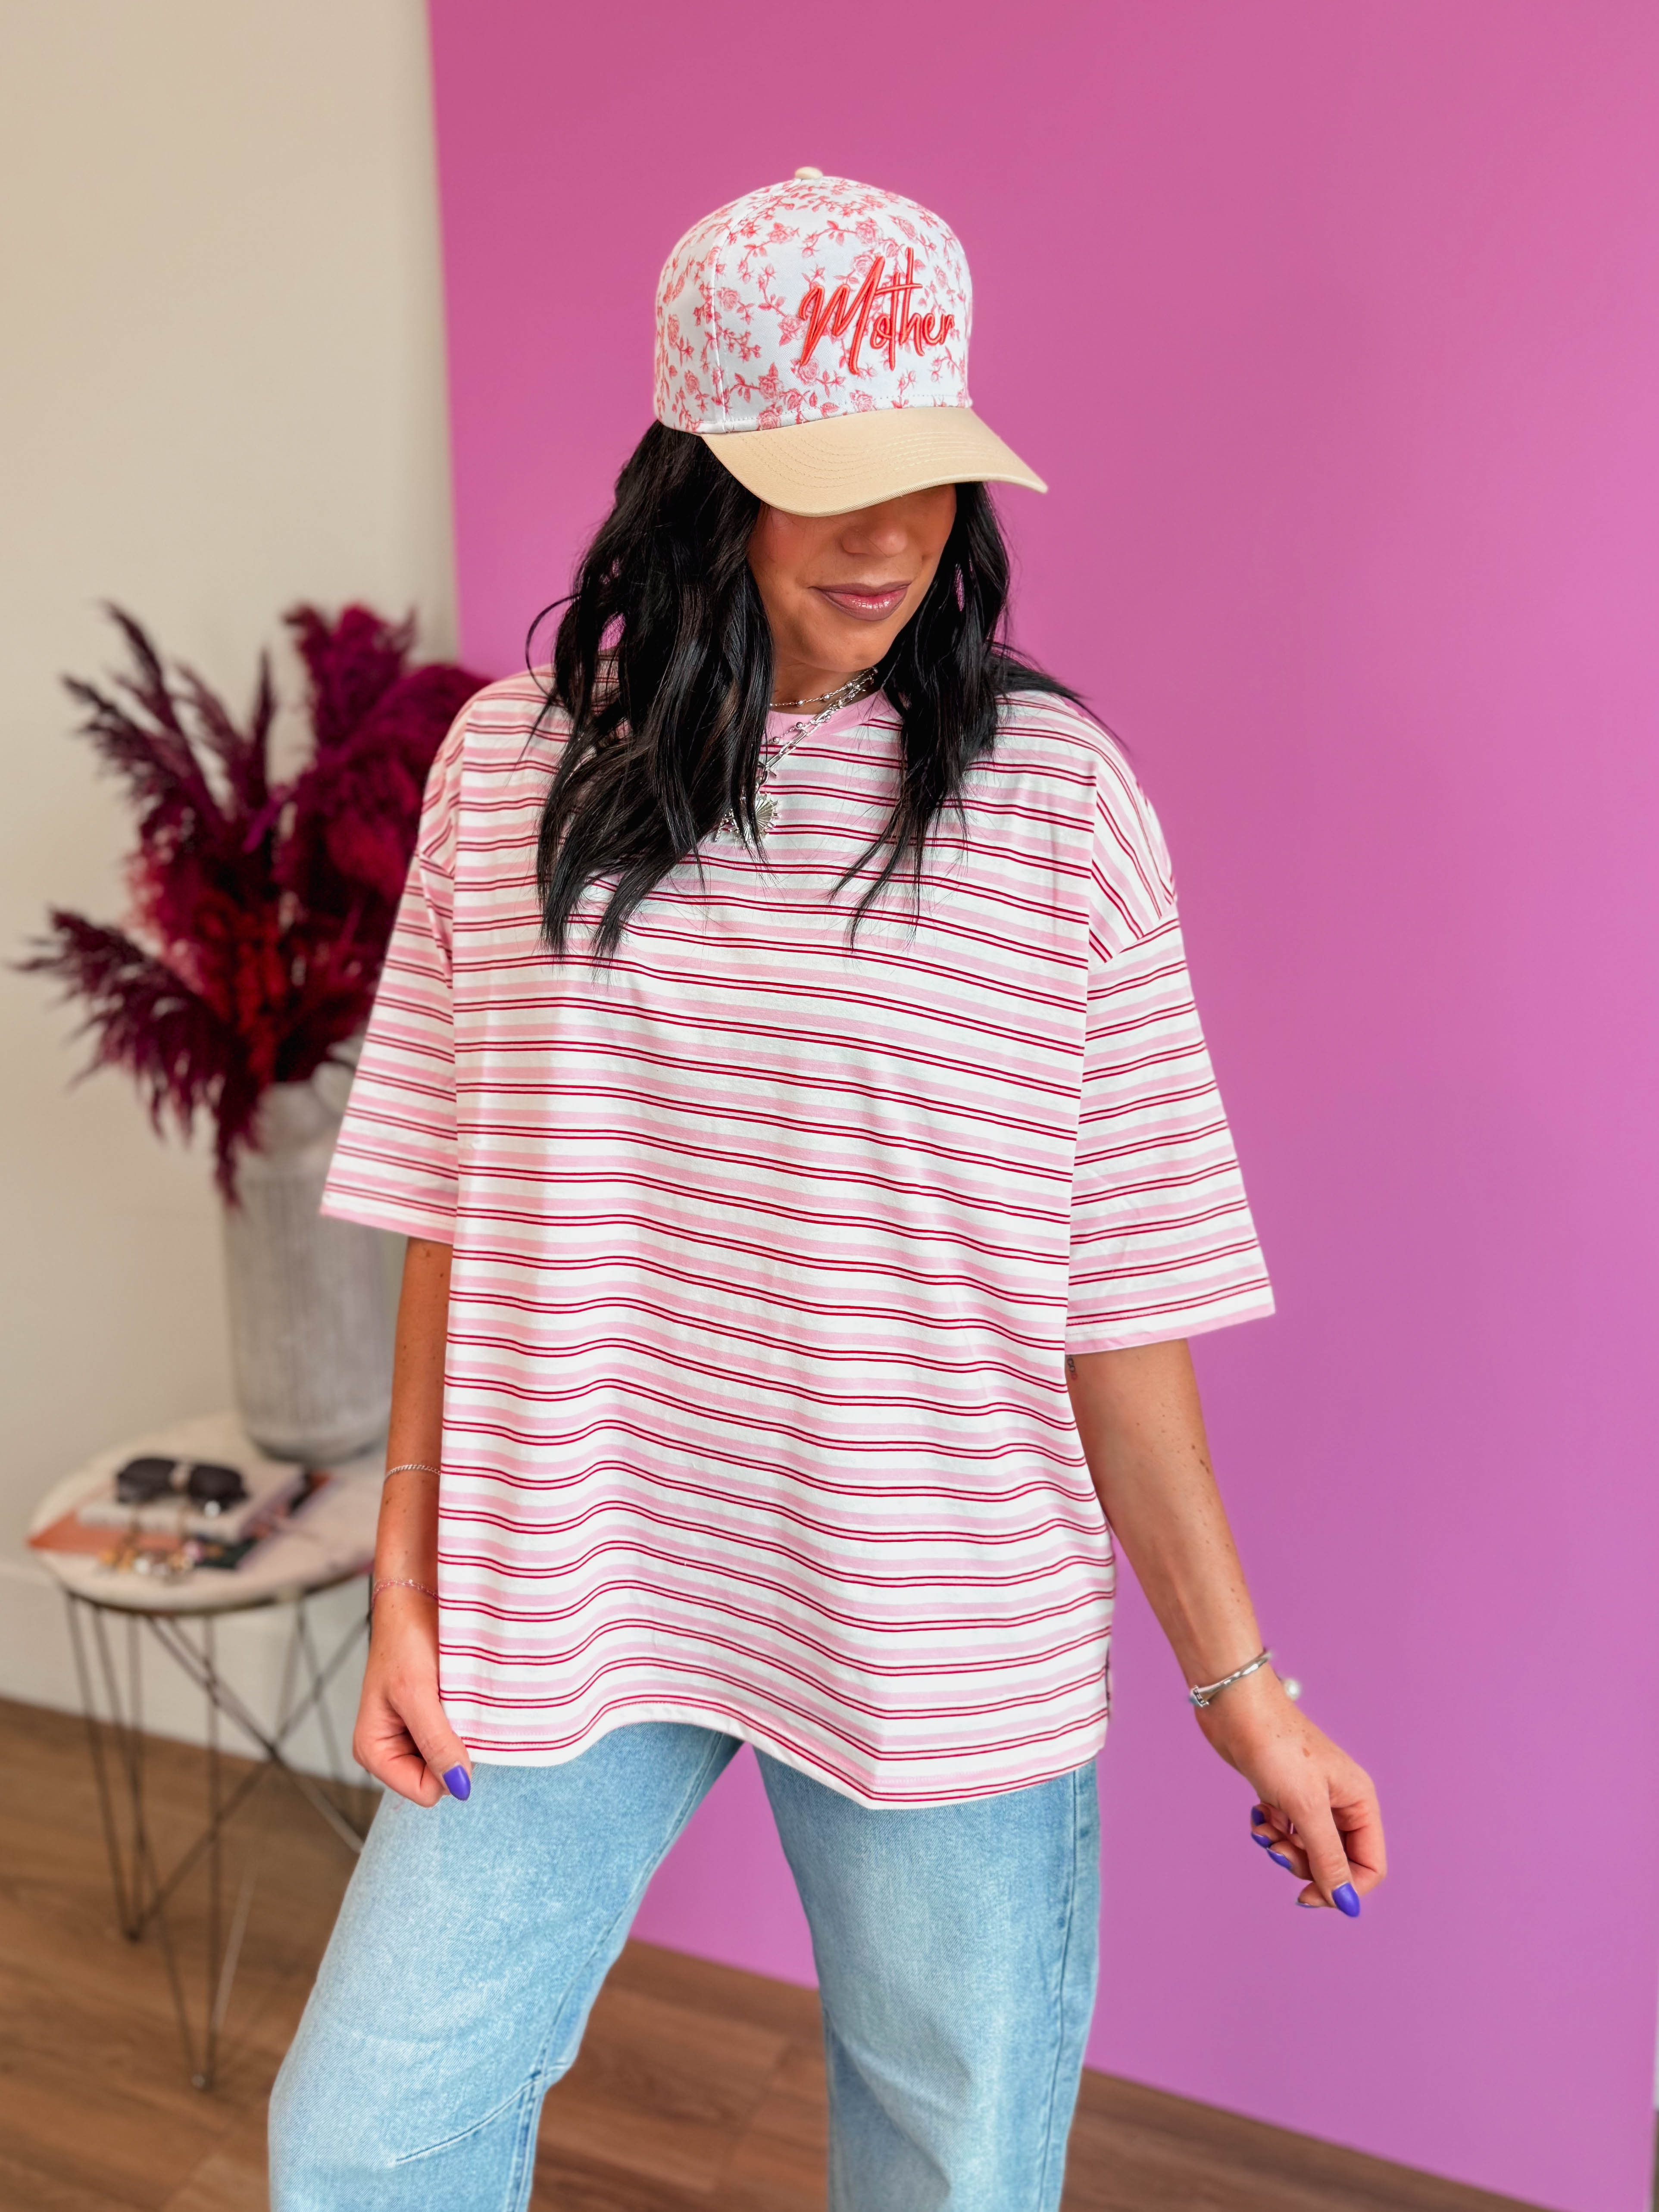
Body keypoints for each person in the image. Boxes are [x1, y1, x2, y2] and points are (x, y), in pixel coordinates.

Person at [269, 170, 1385, 2212]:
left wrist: (1249, 1700)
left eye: (928, 473)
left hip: (937, 1619)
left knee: (952, 2175)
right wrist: (404, 1574)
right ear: (700, 479)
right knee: (357, 2138)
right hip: (574, 1573)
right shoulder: (509, 773)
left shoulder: (1056, 810)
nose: (889, 535)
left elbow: (1117, 1304)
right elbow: (457, 1200)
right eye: (825, 482)